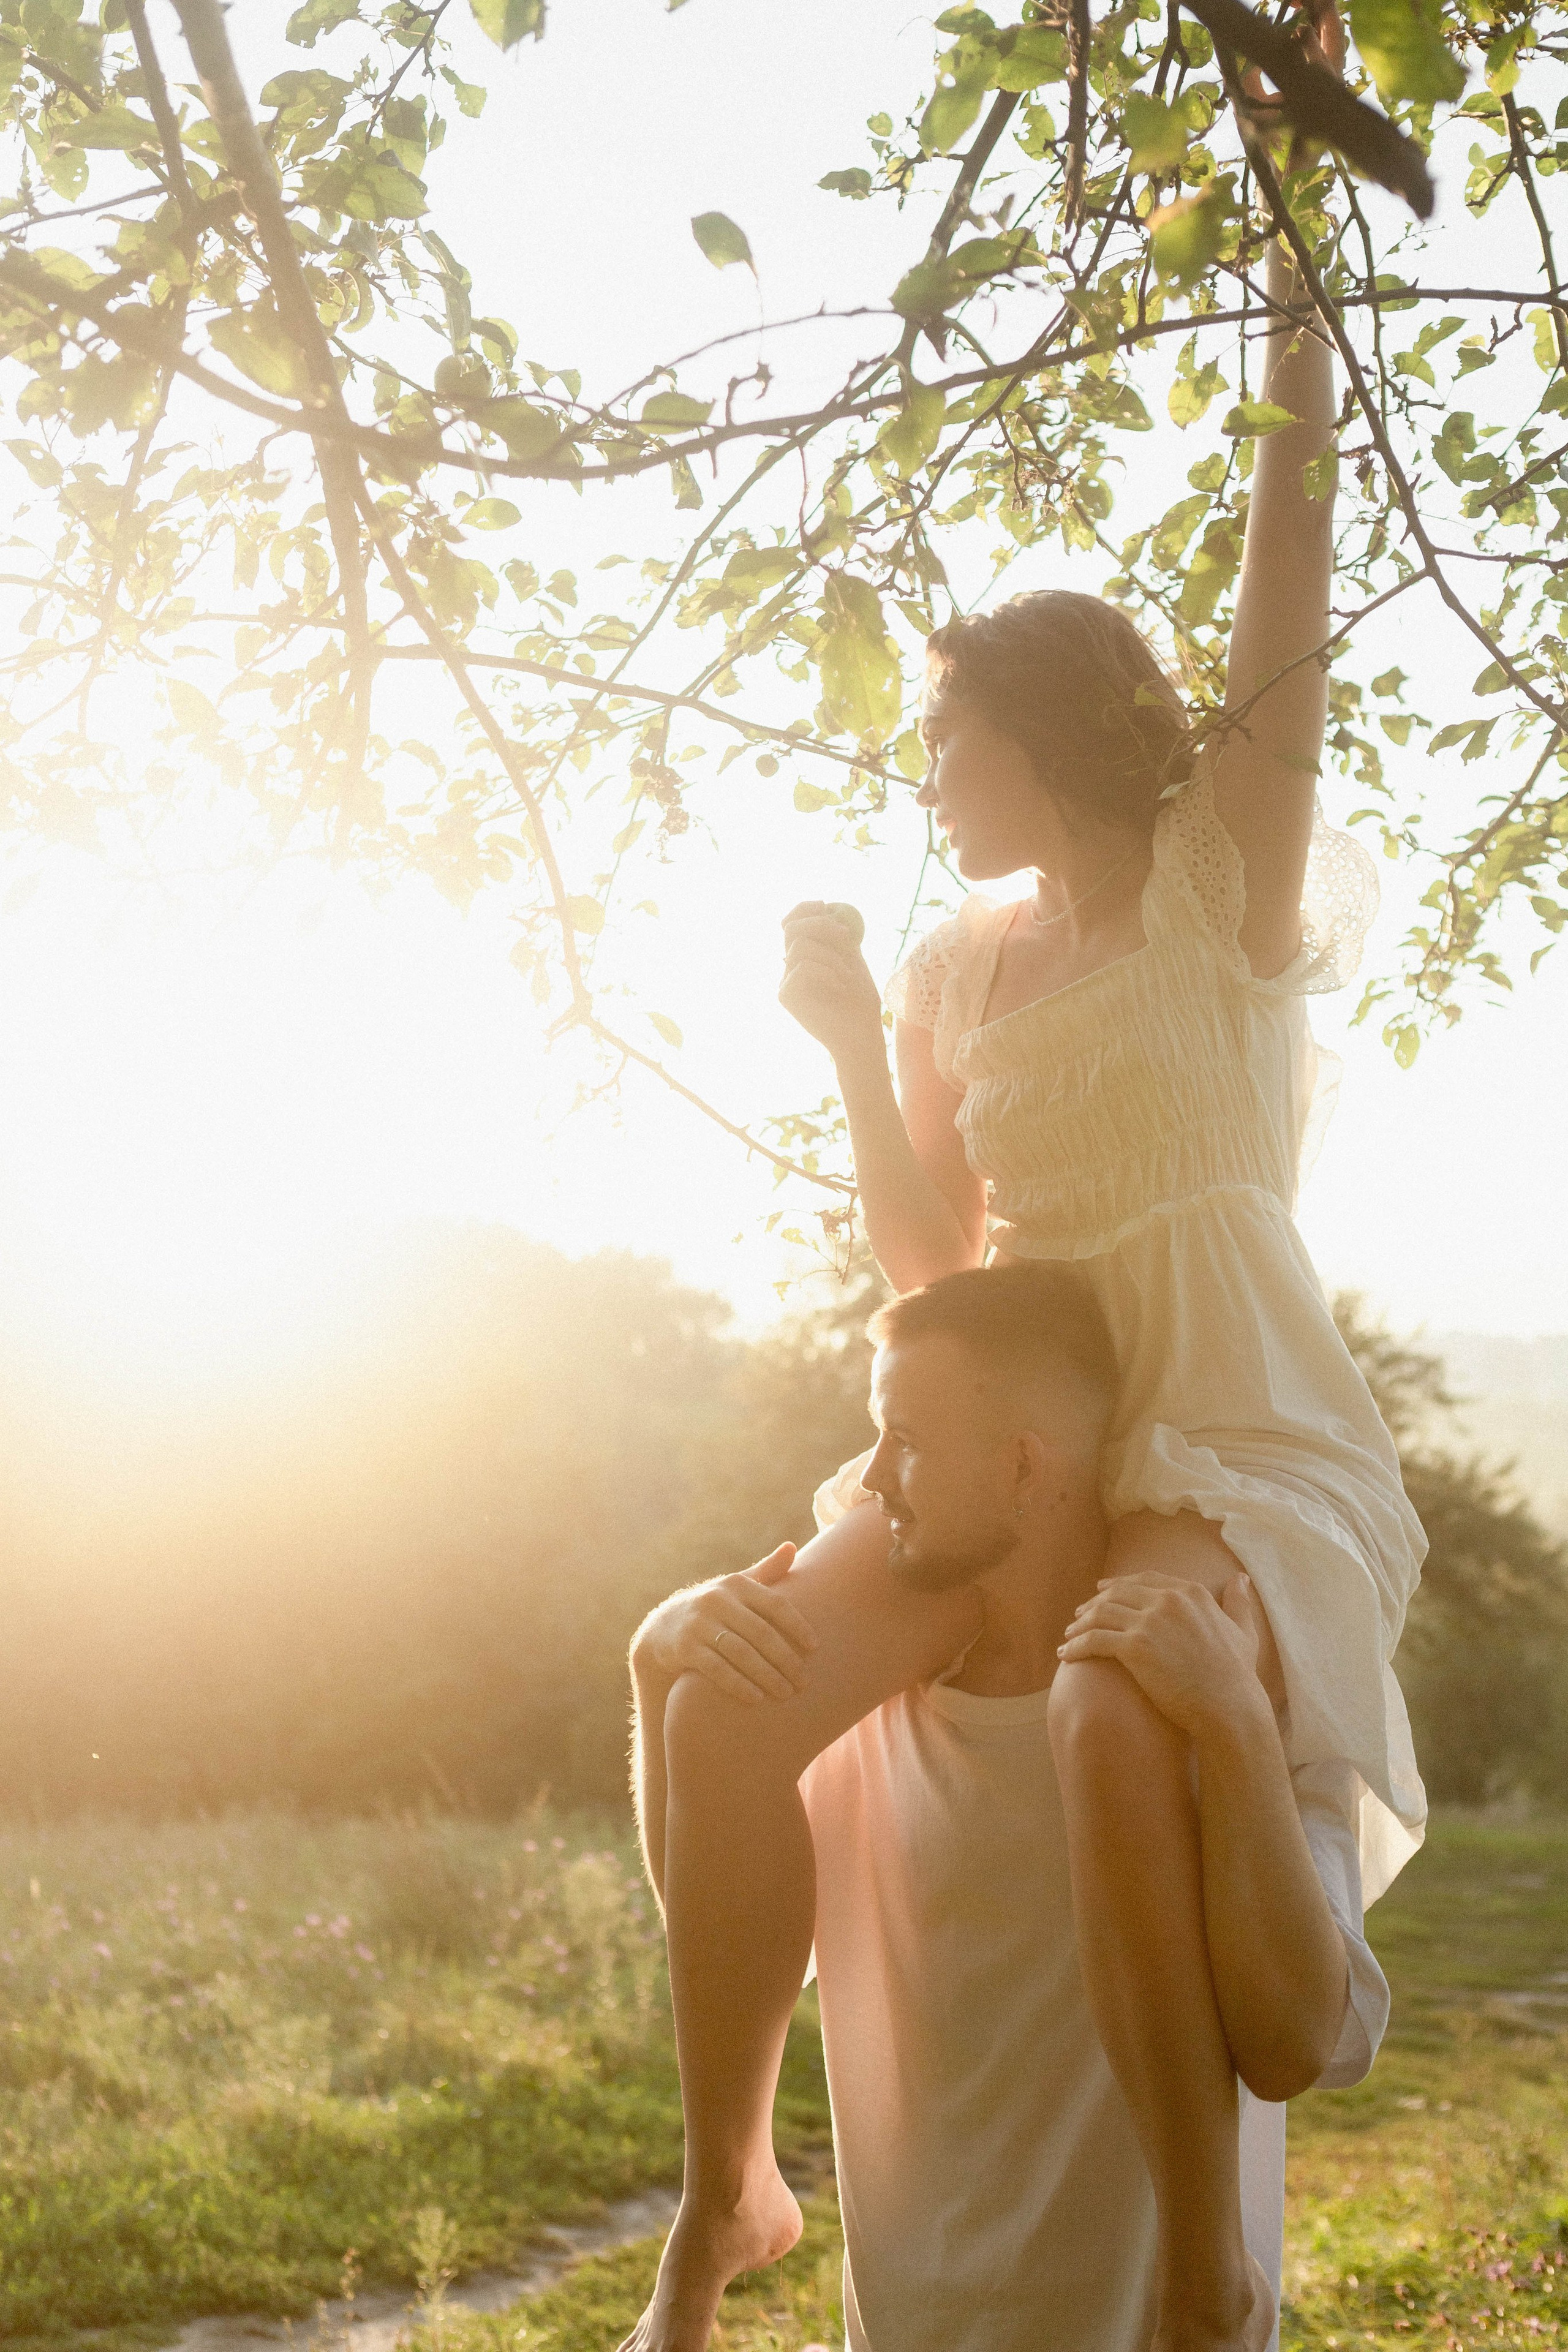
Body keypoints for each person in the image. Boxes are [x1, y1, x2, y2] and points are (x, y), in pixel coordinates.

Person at [620, 10, 1426, 2344]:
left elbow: (1294, 536)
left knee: (1106, 1709)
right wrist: (846, 1052)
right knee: (720, 1689)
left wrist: (1289, 232)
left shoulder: (1219, 876)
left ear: (1043, 721)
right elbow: (933, 1260)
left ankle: (1198, 2271)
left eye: (945, 732)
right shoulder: (961, 964)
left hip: (1229, 1430)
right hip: (1016, 1425)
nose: (925, 773)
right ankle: (726, 2196)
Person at [630, 1264, 1390, 2352]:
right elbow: (713, 1924)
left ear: (1025, 1467)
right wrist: (654, 1665)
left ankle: (1204, 2277)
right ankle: (723, 2207)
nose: (869, 1481)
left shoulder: (1200, 1701)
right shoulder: (867, 1724)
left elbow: (1295, 2046)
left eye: (904, 1442)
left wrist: (1233, 1725)